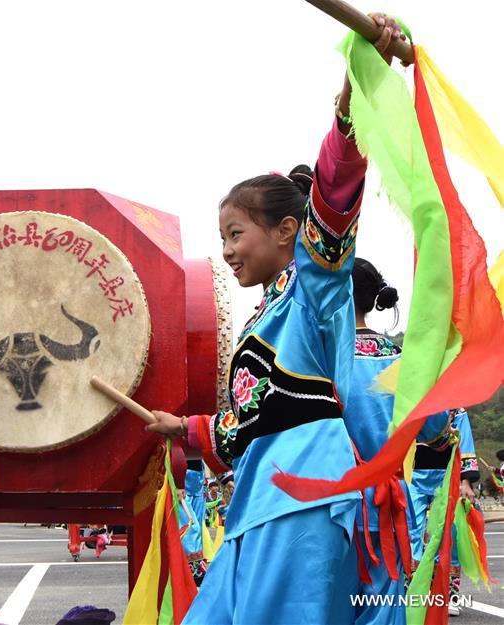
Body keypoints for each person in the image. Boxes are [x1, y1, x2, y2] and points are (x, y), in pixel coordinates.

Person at [146, 15, 410, 623]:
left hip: (305, 499)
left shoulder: (312, 286)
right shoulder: (265, 315)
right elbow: (255, 419)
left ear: (289, 231)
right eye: (223, 237)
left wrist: (357, 89)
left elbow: (337, 192)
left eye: (236, 234)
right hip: (261, 502)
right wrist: (183, 430)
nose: (229, 250)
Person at [345, 258, 453, 624]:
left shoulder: (319, 360)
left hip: (329, 502)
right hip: (385, 506)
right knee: (381, 606)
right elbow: (436, 430)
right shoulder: (400, 362)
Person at [408, 407, 479, 617]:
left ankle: (449, 595)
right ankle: (414, 593)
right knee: (412, 531)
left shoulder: (456, 407)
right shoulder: (412, 399)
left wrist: (465, 482)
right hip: (413, 475)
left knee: (450, 534)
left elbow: (464, 442)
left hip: (446, 475)